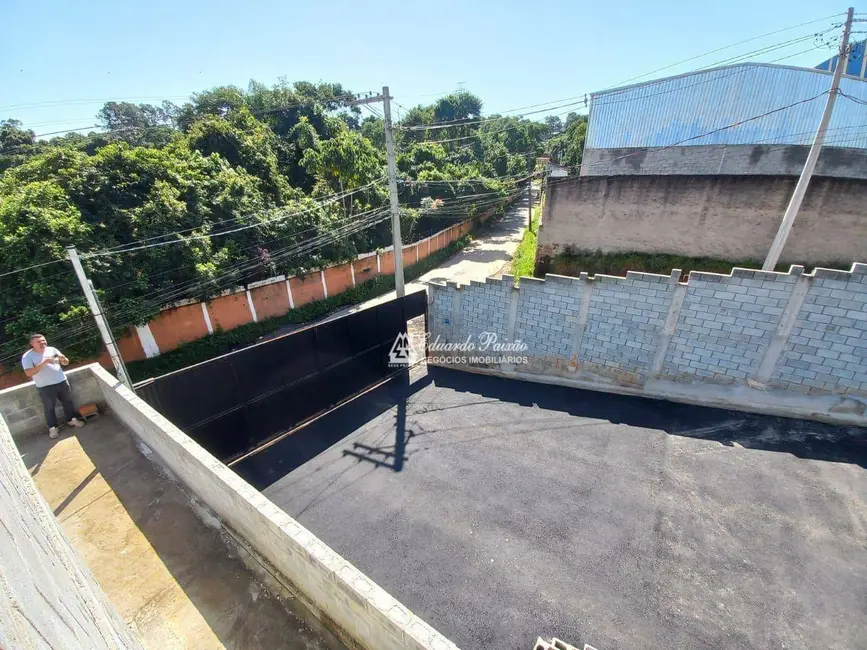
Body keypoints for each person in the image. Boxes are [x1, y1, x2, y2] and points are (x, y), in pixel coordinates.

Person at [21, 334, 85, 439]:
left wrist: (63, 359)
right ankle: (53, 428)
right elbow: (29, 373)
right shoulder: (27, 357)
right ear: (32, 344)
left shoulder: (52, 349)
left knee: (68, 402)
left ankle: (72, 420)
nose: (42, 343)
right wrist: (44, 362)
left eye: (43, 340)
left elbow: (65, 362)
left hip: (61, 381)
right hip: (45, 386)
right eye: (39, 342)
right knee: (49, 408)